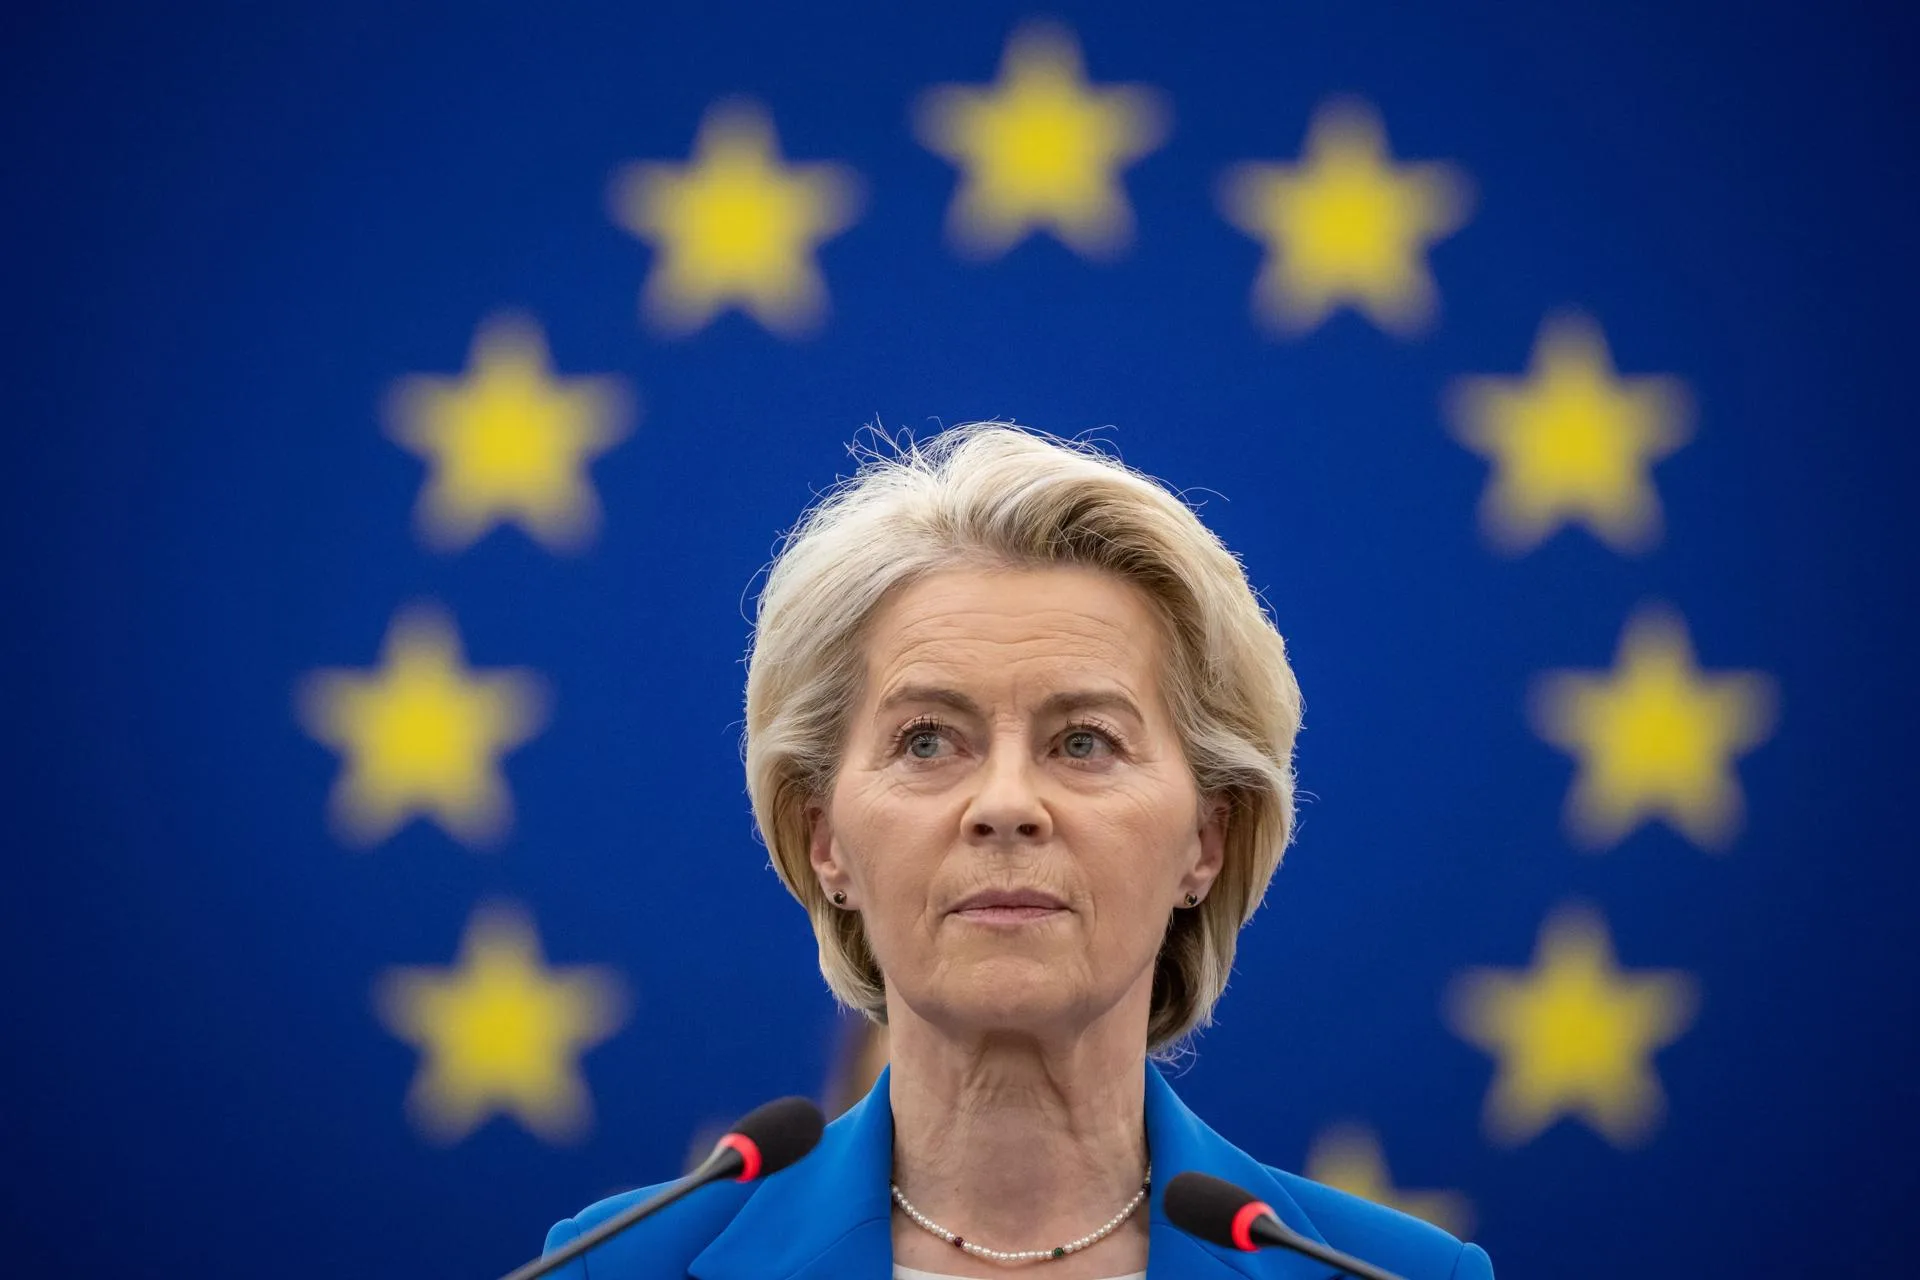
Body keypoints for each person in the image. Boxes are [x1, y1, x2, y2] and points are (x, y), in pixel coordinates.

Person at [541, 424, 1494, 1278]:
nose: (1004, 805)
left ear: (1207, 839)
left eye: (1084, 741)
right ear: (822, 835)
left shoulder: (1393, 1276)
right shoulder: (621, 1266)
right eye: (926, 740)